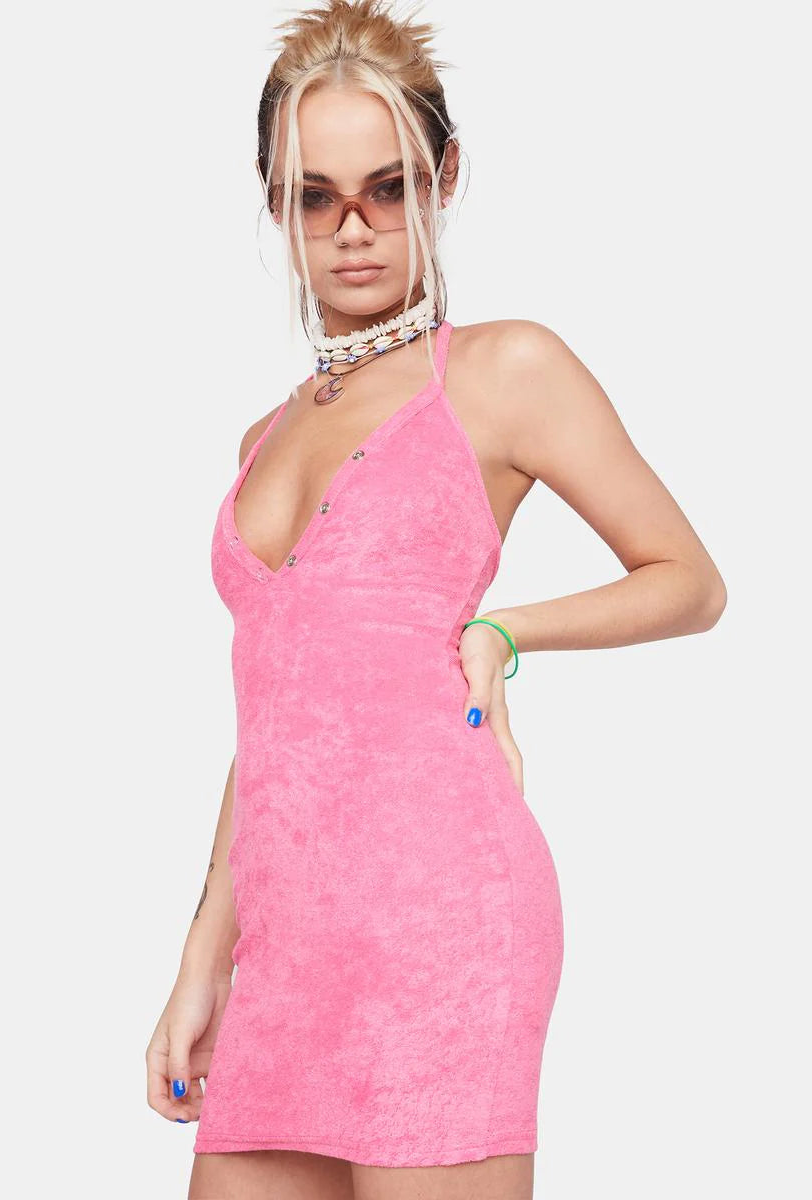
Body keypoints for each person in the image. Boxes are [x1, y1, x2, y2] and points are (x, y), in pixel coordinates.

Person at [145, 2, 727, 1197]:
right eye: (316, 198)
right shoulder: (260, 439)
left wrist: (503, 631)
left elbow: (688, 580)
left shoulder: (506, 370)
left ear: (445, 177)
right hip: (287, 946)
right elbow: (276, 718)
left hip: (443, 920)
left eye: (389, 188)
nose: (354, 229)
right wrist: (204, 954)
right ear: (274, 202)